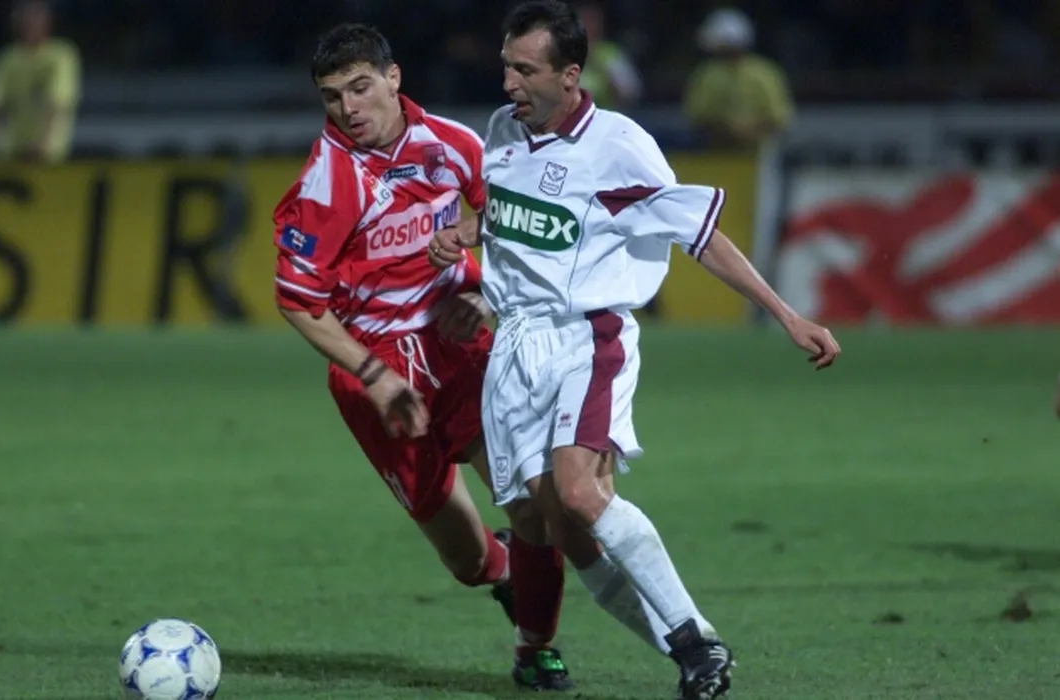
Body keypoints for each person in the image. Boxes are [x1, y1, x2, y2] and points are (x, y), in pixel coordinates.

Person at [428, 2, 841, 698]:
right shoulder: (502, 131)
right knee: (550, 523)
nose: (508, 84)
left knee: (580, 492)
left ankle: (695, 640)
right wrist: (469, 233)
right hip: (515, 347)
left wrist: (785, 314)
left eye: (524, 70)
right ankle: (694, 655)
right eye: (505, 67)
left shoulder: (618, 146)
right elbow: (509, 213)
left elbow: (699, 233)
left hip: (586, 337)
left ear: (569, 75)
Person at [271, 23, 575, 691]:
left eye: (359, 88)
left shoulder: (454, 143)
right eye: (332, 97)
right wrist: (375, 377)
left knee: (533, 505)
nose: (349, 109)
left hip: (460, 347)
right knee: (467, 561)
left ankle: (536, 646)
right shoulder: (326, 185)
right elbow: (297, 302)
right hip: (375, 370)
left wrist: (487, 291)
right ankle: (504, 572)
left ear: (393, 78)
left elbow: (516, 220)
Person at [0, 0, 81, 164]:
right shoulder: (7, 59)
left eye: (36, 15)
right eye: (26, 16)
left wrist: (42, 143)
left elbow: (57, 103)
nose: (30, 22)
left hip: (49, 158)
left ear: (48, 20)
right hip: (10, 154)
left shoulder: (61, 56)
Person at [682, 8, 793, 152]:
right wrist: (727, 130)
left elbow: (780, 118)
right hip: (717, 153)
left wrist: (751, 131)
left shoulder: (764, 73)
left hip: (762, 154)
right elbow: (696, 117)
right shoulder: (707, 74)